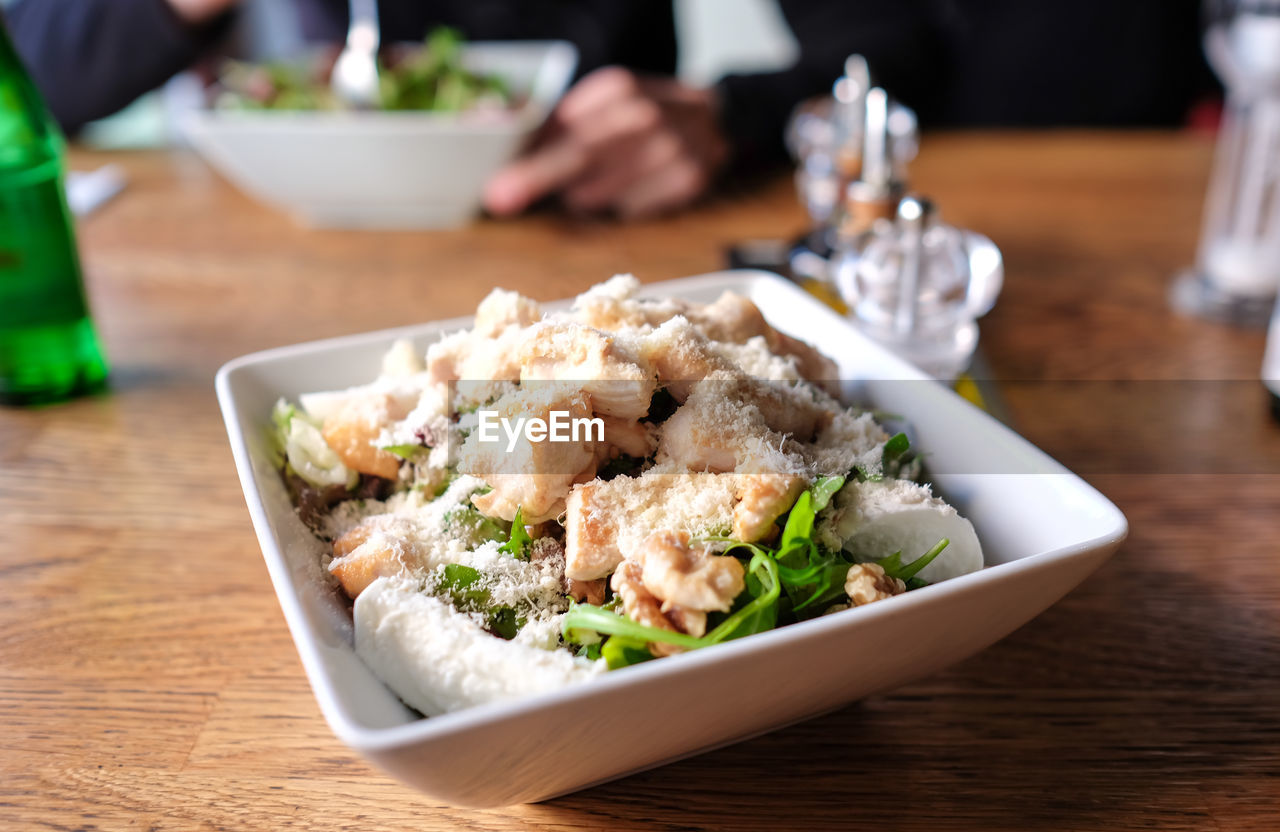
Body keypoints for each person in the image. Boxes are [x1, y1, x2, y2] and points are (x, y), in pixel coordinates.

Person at [5, 0, 1216, 219]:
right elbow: (42, 77)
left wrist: (721, 116)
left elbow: (884, 43)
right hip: (278, 243)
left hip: (618, 219)